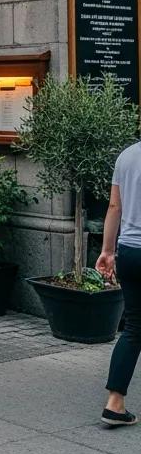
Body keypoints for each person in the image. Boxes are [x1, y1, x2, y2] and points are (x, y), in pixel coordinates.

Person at [98, 138, 141, 426]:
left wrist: (107, 251)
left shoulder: (126, 156)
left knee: (134, 328)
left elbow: (114, 207)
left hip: (129, 252)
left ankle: (115, 402)